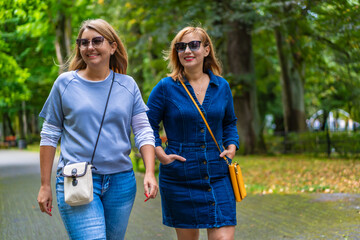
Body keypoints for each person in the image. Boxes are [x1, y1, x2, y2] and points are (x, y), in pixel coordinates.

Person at [37, 19, 158, 240]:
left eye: (97, 41)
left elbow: (143, 131)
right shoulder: (64, 84)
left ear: (113, 46)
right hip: (76, 179)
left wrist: (149, 172)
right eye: (83, 42)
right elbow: (49, 135)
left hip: (121, 183)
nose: (89, 47)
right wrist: (45, 185)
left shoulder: (128, 85)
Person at [146, 26, 239, 240]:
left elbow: (230, 122)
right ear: (176, 53)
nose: (187, 50)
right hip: (180, 174)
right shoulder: (165, 87)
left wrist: (232, 146)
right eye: (181, 46)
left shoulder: (221, 86)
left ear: (206, 50)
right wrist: (161, 155)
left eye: (194, 45)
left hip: (217, 173)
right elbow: (146, 126)